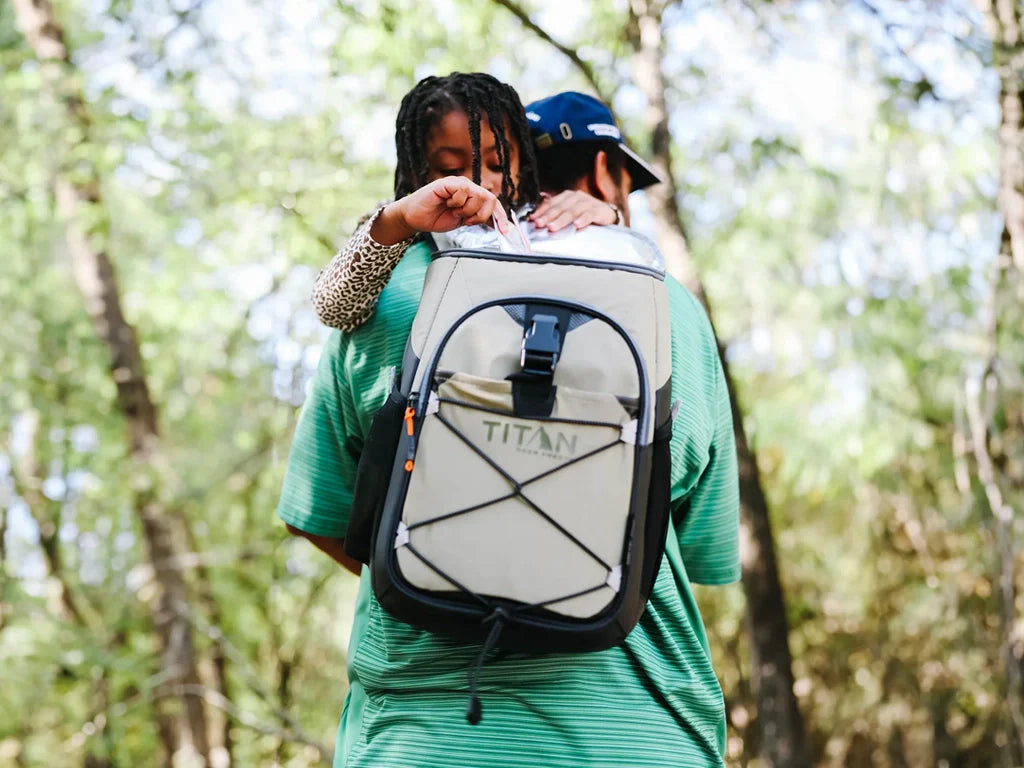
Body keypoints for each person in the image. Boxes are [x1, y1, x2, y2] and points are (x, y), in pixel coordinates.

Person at [277, 77, 740, 767]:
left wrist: (445, 564)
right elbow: (705, 550)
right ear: (606, 174)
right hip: (640, 736)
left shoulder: (383, 298)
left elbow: (318, 516)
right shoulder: (673, 312)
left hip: (421, 739)